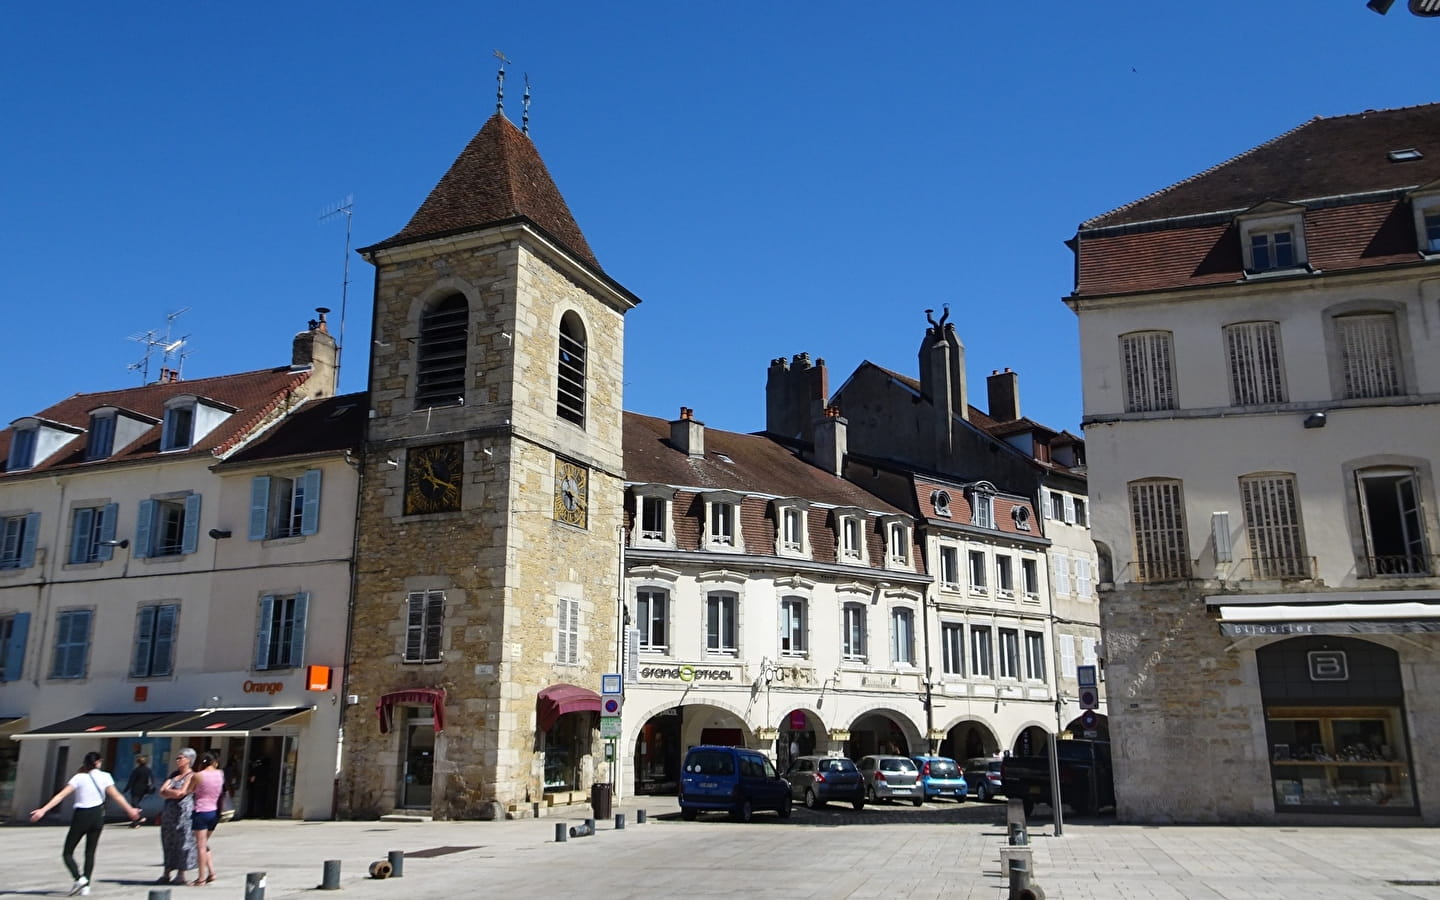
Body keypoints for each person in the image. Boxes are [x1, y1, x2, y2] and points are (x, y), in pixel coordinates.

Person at [29, 750, 141, 897]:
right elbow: (116, 796)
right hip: (97, 816)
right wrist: (130, 810)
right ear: (98, 762)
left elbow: (61, 795)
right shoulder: (105, 776)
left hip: (81, 815)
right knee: (90, 852)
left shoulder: (79, 777)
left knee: (68, 852)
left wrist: (43, 810)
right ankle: (86, 885)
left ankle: (79, 878)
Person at [157, 748, 198, 885]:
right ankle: (166, 872)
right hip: (169, 813)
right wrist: (171, 792)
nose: (178, 760)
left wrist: (170, 792)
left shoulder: (192, 776)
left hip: (183, 814)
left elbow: (181, 793)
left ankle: (181, 874)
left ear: (189, 760)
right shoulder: (173, 775)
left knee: (183, 842)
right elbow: (161, 791)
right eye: (177, 758)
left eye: (181, 758)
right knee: (168, 841)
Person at [190, 753, 225, 885]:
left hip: (200, 811)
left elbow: (189, 790)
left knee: (200, 846)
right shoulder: (220, 774)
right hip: (214, 813)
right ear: (214, 762)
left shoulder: (198, 775)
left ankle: (201, 878)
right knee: (204, 844)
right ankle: (211, 872)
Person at [124, 754, 154, 828]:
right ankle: (135, 822)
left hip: (136, 789)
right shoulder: (148, 770)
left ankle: (139, 819)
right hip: (143, 790)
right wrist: (150, 788)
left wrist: (126, 789)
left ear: (138, 762)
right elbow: (151, 780)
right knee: (135, 804)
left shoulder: (136, 770)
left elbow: (131, 780)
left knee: (134, 805)